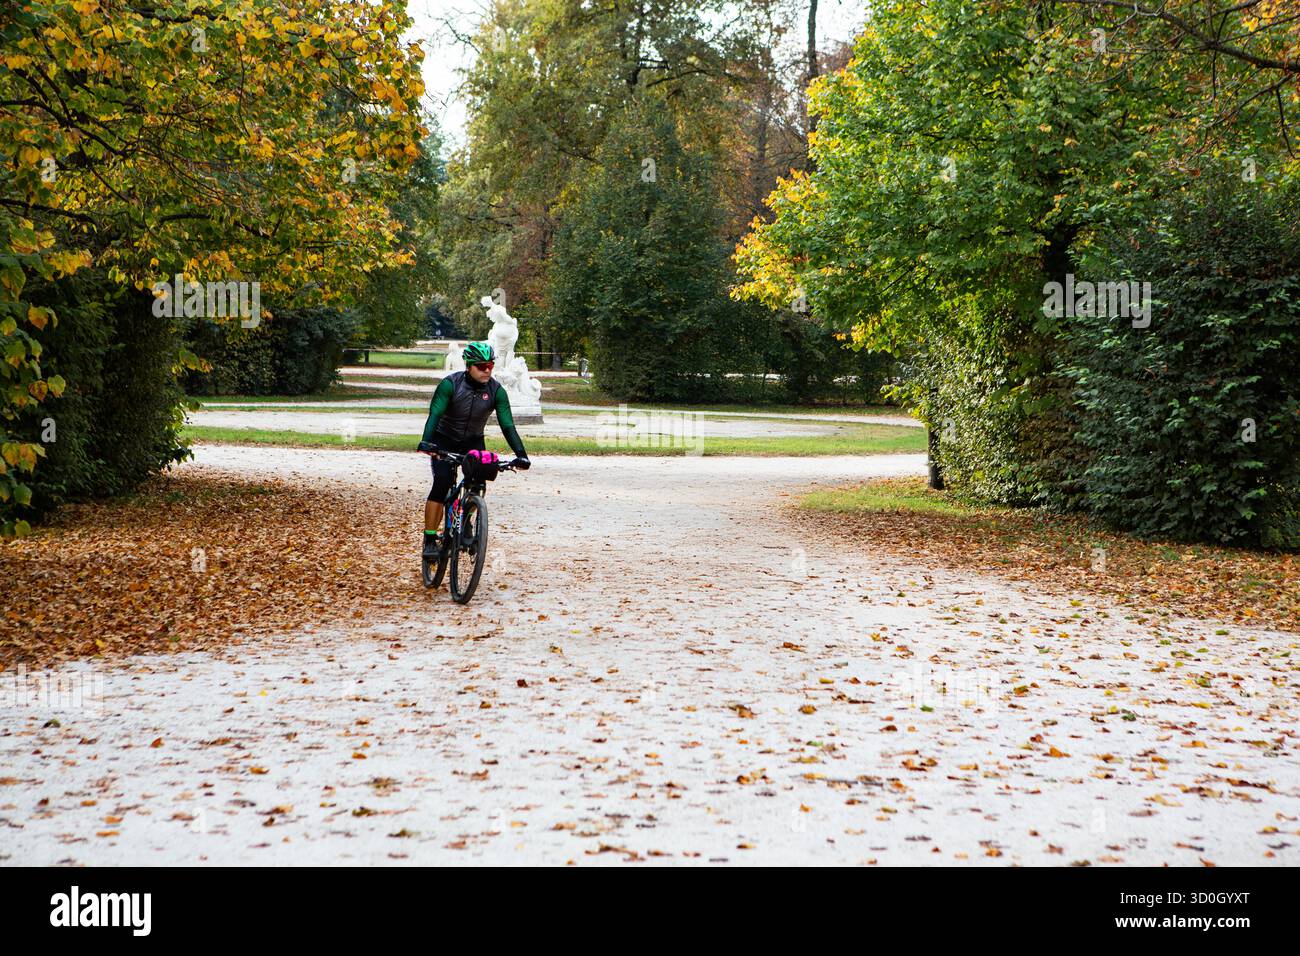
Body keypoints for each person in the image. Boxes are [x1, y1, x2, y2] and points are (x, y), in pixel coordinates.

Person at [417, 341, 530, 557]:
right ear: (469, 366)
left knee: (478, 482)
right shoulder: (450, 384)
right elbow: (435, 415)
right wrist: (427, 441)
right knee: (441, 483)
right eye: (481, 366)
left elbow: (507, 425)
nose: (487, 370)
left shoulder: (497, 391)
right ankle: (430, 539)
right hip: (444, 439)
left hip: (473, 441)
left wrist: (521, 455)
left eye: (490, 365)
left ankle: (466, 521)